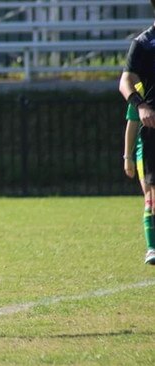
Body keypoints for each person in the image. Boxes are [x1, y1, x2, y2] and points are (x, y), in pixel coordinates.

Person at [119, 1, 155, 265]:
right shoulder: (143, 44)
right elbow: (125, 81)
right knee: (152, 191)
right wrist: (140, 104)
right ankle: (152, 247)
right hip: (153, 129)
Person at [123, 82, 155, 265]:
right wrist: (128, 156)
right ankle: (152, 247)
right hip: (146, 152)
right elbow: (132, 124)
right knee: (150, 197)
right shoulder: (140, 89)